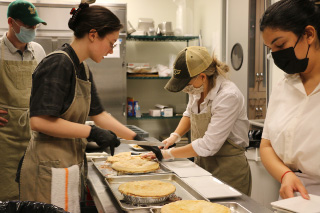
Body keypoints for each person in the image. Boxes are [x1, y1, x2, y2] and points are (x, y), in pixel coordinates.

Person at [18, 3, 147, 212]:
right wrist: (92, 132)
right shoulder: (59, 63)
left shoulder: (83, 68)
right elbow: (39, 121)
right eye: (111, 43)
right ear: (93, 35)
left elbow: (99, 114)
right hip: (47, 167)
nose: (111, 50)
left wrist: (137, 140)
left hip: (66, 162)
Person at [146, 46, 252, 195]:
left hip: (229, 170)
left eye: (187, 84)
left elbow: (209, 145)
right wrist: (174, 136)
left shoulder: (228, 96)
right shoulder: (198, 88)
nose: (185, 89)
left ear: (202, 76)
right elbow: (189, 113)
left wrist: (169, 154)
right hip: (202, 164)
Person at [259, 0, 320, 200]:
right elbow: (266, 146)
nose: (276, 55)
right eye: (270, 49)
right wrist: (285, 174)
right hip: (289, 196)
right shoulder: (283, 87)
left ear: (309, 34)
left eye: (280, 45)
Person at [0, 0, 47, 201]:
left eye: (35, 25)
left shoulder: (38, 51)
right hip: (4, 139)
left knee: (33, 193)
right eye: (27, 25)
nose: (32, 29)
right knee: (7, 196)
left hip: (34, 135)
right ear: (11, 22)